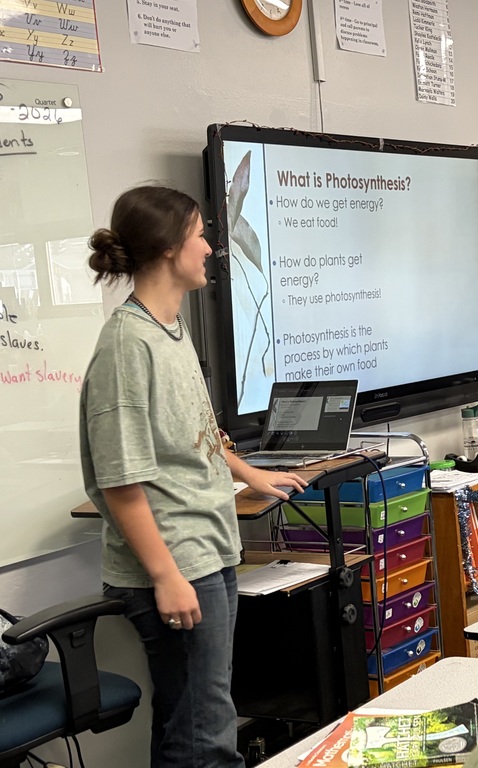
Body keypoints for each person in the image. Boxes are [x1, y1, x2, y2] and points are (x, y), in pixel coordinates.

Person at [80, 185, 308, 767]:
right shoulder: (128, 345)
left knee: (190, 720)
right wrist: (166, 577)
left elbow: (192, 436)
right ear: (167, 248)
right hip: (177, 562)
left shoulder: (170, 329)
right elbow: (119, 480)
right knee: (208, 736)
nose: (210, 247)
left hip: (207, 549)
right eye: (201, 234)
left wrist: (248, 473)